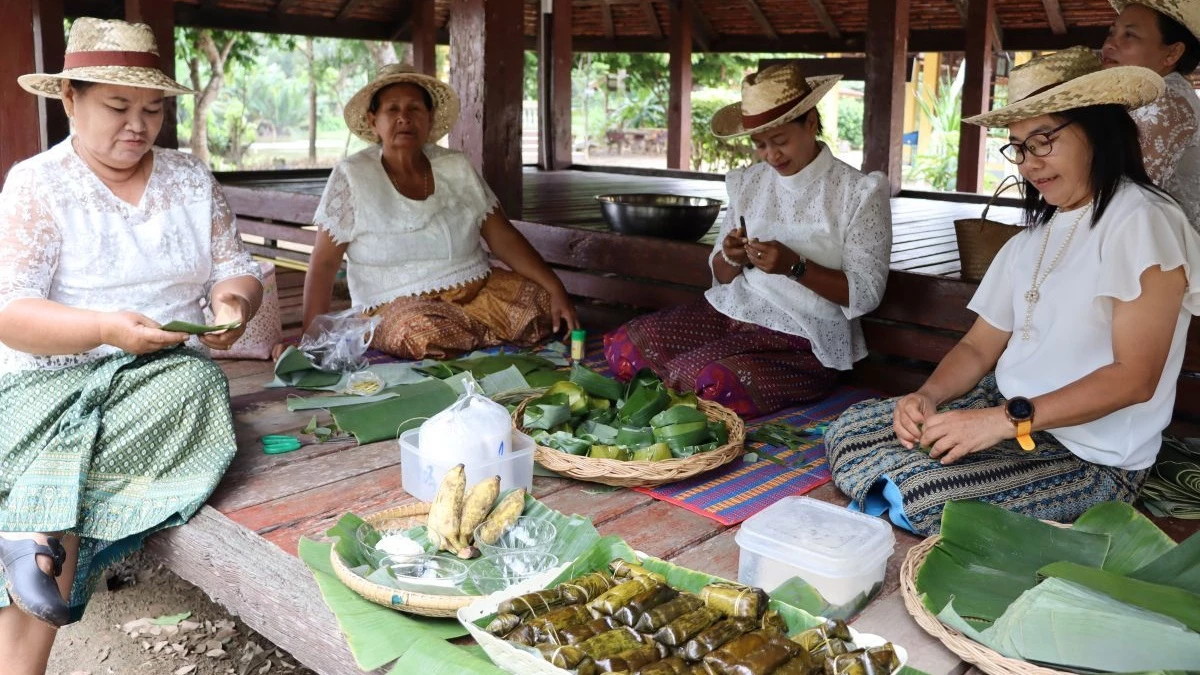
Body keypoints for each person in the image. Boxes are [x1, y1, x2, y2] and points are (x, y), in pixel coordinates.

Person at [824, 48, 1200, 536]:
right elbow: (979, 344)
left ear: (1100, 129)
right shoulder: (1033, 237)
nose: (1028, 164)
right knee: (850, 431)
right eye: (1019, 147)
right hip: (1011, 413)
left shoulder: (1143, 220)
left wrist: (1001, 422)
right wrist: (927, 396)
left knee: (918, 493)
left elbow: (1135, 378)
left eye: (1043, 140)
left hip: (1089, 455)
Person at [0, 18, 263, 675]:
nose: (138, 125)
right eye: (117, 107)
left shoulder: (189, 179)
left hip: (159, 384)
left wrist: (233, 305)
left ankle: (30, 530)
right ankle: (35, 532)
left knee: (192, 383)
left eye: (152, 109)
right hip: (51, 383)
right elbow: (11, 313)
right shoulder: (38, 185)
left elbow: (237, 269)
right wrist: (104, 329)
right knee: (97, 444)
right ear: (70, 99)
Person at [603, 62, 892, 418]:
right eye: (759, 145)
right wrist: (732, 256)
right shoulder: (750, 182)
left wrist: (794, 267)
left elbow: (865, 293)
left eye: (781, 141)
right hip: (731, 314)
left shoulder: (858, 192)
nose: (771, 155)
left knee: (706, 382)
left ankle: (780, 381)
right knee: (625, 348)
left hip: (802, 340)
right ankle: (678, 383)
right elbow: (722, 275)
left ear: (812, 123)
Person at [302, 64, 578, 361]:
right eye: (392, 109)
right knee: (416, 333)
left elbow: (502, 236)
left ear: (429, 118)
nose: (404, 118)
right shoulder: (353, 175)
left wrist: (554, 286)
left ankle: (466, 336)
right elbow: (325, 262)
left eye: (415, 109)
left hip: (476, 292)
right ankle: (479, 336)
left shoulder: (455, 166)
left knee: (539, 302)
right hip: (396, 305)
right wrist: (310, 337)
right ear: (373, 121)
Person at [1102, 0, 1200, 231]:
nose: (1109, 44)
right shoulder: (1142, 97)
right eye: (1111, 32)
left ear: (1172, 53)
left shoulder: (1167, 102)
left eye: (1129, 35)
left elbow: (1123, 195)